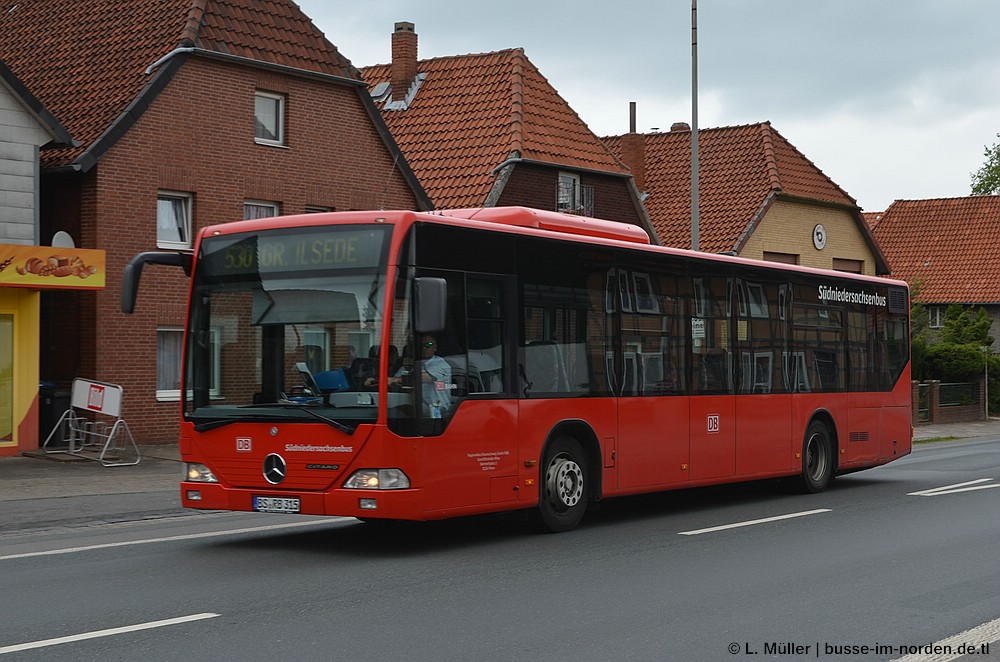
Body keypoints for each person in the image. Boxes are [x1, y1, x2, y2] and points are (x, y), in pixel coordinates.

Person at [388, 335, 452, 416]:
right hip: (415, 410)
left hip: (437, 412)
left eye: (428, 345)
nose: (424, 348)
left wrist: (396, 380)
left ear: (435, 348)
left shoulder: (441, 364)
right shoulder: (411, 365)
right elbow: (394, 380)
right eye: (421, 346)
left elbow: (425, 378)